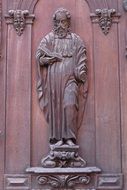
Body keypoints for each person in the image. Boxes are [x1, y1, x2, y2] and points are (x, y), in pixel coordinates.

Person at [36, 8, 87, 147]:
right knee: (56, 108)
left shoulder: (76, 40)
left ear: (68, 22)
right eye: (57, 22)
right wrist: (47, 60)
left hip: (70, 80)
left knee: (69, 104)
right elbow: (39, 57)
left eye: (63, 22)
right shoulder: (49, 39)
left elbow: (82, 58)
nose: (60, 25)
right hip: (53, 81)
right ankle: (57, 138)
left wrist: (80, 72)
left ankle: (70, 137)